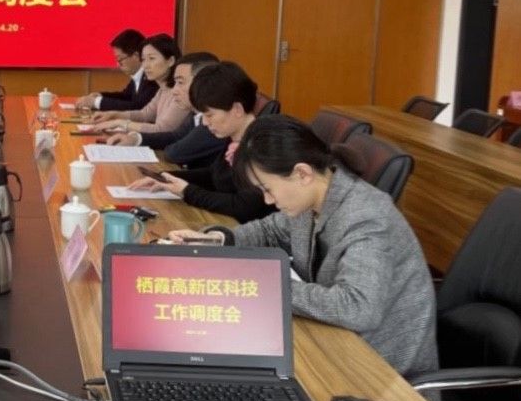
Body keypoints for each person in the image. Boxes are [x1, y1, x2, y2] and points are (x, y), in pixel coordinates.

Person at [167, 115, 438, 377]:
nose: (268, 200)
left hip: (380, 373)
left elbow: (358, 307)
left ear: (302, 173)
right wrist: (219, 240)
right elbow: (270, 229)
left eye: (267, 189)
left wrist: (261, 285)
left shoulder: (366, 217)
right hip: (335, 342)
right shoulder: (316, 195)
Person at [128, 62, 274, 223]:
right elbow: (214, 174)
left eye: (209, 115)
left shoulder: (262, 147)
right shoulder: (235, 136)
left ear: (237, 110)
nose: (204, 122)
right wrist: (165, 178)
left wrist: (187, 191)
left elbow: (243, 207)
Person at [107, 51, 227, 168]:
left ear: (203, 83)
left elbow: (174, 153)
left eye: (180, 82)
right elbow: (174, 136)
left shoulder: (213, 121)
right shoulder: (195, 114)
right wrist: (135, 138)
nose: (174, 91)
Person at [92, 34, 190, 135]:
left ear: (170, 61)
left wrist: (120, 123)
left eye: (151, 58)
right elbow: (145, 114)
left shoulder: (181, 92)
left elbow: (161, 129)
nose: (145, 65)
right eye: (143, 59)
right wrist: (114, 114)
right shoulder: (163, 89)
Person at [75, 28, 158, 113]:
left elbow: (139, 108)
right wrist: (100, 96)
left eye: (120, 59)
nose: (118, 64)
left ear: (136, 56)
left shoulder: (152, 77)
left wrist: (96, 102)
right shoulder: (139, 75)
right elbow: (126, 96)